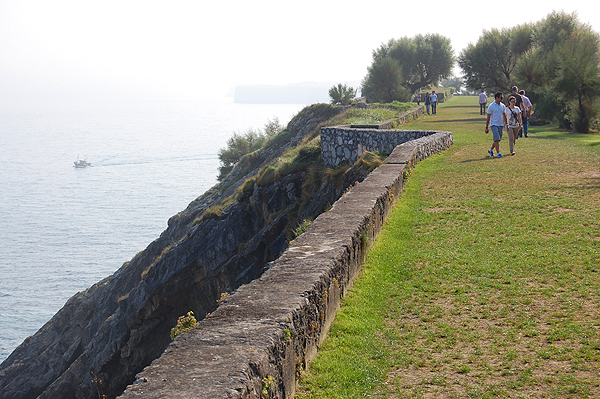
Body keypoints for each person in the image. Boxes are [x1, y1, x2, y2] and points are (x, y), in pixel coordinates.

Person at [485, 92, 507, 158]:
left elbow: (504, 115)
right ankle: (498, 153)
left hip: (500, 124)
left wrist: (506, 124)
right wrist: (486, 127)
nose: (502, 99)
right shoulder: (491, 106)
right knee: (497, 139)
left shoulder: (503, 106)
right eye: (501, 98)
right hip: (494, 124)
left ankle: (491, 149)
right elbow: (488, 117)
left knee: (497, 139)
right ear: (497, 98)